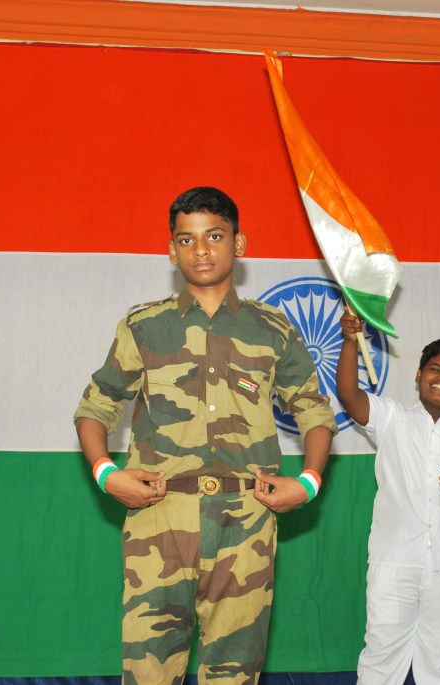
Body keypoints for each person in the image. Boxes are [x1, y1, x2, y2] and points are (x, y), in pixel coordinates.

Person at [74, 186, 337, 685]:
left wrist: (308, 482)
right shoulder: (144, 326)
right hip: (159, 518)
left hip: (246, 523)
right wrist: (106, 473)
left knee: (235, 674)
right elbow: (96, 405)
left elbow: (314, 410)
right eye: (186, 239)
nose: (201, 250)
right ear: (171, 251)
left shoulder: (272, 328)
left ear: (239, 244)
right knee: (149, 673)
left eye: (214, 236)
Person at [336, 311, 440, 685]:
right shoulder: (391, 418)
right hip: (394, 560)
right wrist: (349, 341)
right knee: (381, 660)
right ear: (418, 375)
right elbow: (349, 394)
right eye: (435, 369)